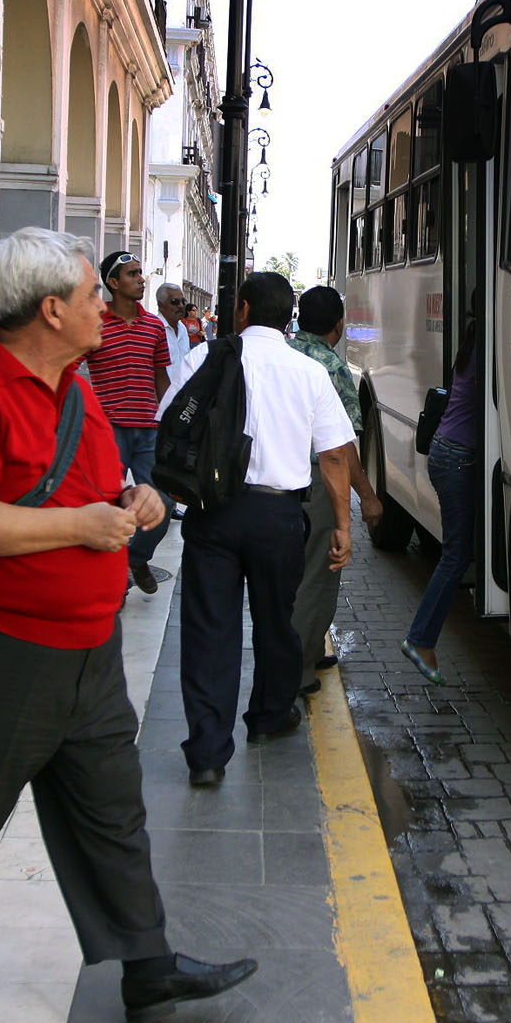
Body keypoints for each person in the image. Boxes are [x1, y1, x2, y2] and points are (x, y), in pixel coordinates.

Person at [0, 227, 256, 1023]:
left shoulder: (77, 388)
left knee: (113, 813)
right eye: (95, 294)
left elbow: (105, 481)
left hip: (89, 654)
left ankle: (147, 964)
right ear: (53, 308)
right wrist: (80, 527)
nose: (107, 305)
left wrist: (139, 499)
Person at [163, 271, 356, 787]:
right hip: (279, 515)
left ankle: (207, 751)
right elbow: (335, 455)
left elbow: (170, 423)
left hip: (215, 512)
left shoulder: (205, 358)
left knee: (210, 629)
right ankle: (270, 716)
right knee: (278, 619)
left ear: (242, 309)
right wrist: (342, 524)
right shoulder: (308, 371)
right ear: (286, 315)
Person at [287, 286, 383, 695]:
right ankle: (300, 667)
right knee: (318, 576)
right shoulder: (330, 366)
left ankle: (304, 648)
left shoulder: (285, 353)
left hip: (277, 483)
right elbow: (341, 447)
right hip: (316, 483)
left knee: (291, 574)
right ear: (339, 325)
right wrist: (367, 495)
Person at [401, 299, 482, 687]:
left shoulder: (471, 345)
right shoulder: (489, 349)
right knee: (456, 554)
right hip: (456, 459)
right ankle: (420, 639)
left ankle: (422, 639)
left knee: (458, 550)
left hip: (445, 451)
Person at [86, 251, 171, 594]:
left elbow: (161, 378)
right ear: (113, 282)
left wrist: (168, 422)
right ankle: (112, 579)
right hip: (107, 431)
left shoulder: (154, 326)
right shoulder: (94, 321)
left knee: (163, 505)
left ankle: (135, 557)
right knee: (107, 505)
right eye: (133, 274)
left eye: (141, 272)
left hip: (149, 431)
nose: (141, 278)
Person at [155, 283, 191, 375]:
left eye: (183, 301)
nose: (181, 306)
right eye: (175, 302)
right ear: (161, 305)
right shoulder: (154, 328)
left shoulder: (182, 328)